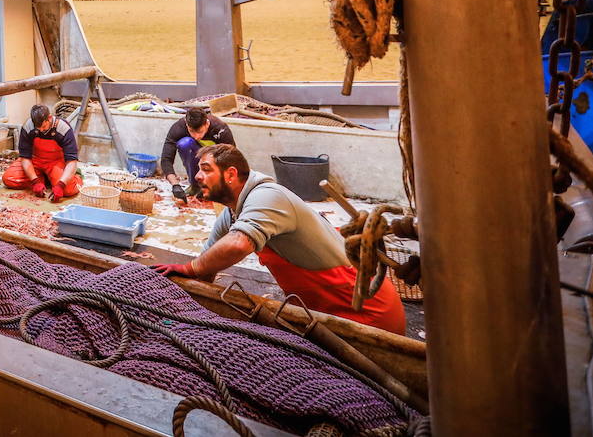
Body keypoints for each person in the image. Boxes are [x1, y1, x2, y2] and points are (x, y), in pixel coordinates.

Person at [155, 145, 406, 334]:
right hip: (321, 315)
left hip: (365, 314)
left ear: (230, 174)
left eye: (206, 170)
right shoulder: (234, 213)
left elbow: (238, 244)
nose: (197, 176)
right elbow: (207, 264)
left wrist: (189, 268)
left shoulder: (267, 196)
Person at [2, 104, 83, 200]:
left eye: (44, 126)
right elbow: (25, 158)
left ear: (49, 118)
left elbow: (72, 161)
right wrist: (35, 181)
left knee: (67, 190)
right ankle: (42, 179)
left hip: (55, 163)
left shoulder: (63, 128)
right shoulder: (28, 126)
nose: (41, 130)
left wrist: (61, 185)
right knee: (8, 178)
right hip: (34, 161)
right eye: (38, 128)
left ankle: (75, 177)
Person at [160, 106, 235, 203]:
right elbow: (166, 159)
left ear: (207, 124)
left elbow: (231, 159)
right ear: (187, 125)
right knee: (185, 143)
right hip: (195, 156)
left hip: (214, 160)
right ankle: (195, 186)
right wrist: (175, 185)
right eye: (192, 131)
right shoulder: (178, 128)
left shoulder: (220, 129)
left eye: (200, 132)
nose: (196, 136)